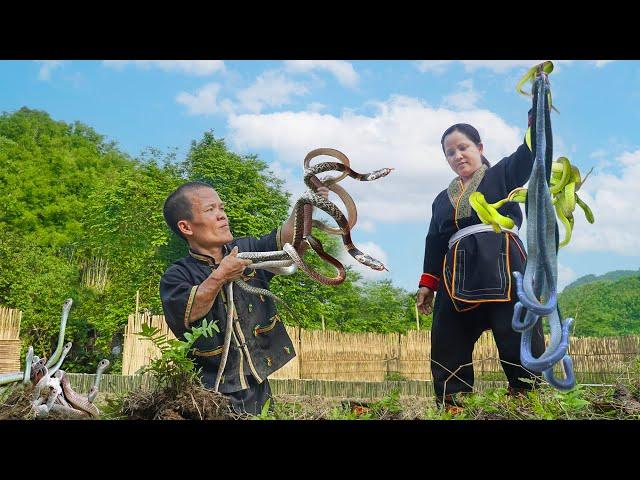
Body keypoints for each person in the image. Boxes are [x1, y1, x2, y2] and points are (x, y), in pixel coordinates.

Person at [160, 181, 329, 415]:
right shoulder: (177, 275)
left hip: (258, 384)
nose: (222, 215)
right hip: (207, 394)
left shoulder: (246, 249)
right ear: (186, 227)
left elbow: (288, 239)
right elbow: (188, 313)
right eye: (210, 210)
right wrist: (220, 275)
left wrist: (307, 203)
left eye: (221, 208)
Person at [415, 110, 545, 413]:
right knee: (447, 337)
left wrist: (537, 117)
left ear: (480, 149)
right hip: (455, 271)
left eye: (464, 147)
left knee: (518, 330)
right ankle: (454, 405)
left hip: (504, 263)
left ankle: (527, 400)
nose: (458, 156)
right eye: (450, 153)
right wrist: (427, 284)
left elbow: (529, 153)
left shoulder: (502, 174)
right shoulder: (441, 199)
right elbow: (434, 242)